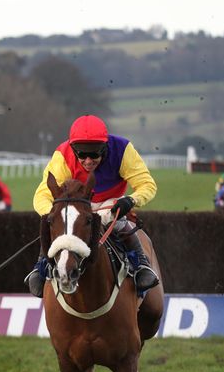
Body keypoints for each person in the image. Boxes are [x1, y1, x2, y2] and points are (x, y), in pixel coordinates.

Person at [25, 114, 159, 298]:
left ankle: (141, 265)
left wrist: (131, 200)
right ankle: (41, 266)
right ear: (73, 149)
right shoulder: (63, 155)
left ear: (105, 147)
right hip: (76, 207)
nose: (88, 161)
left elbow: (147, 185)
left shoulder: (122, 150)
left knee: (117, 222)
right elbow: (42, 195)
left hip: (110, 202)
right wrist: (57, 215)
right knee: (57, 226)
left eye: (94, 154)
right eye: (82, 154)